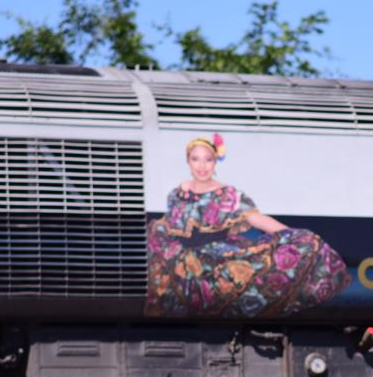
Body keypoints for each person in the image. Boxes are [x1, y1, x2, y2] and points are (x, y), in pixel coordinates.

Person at [146, 134, 350, 318]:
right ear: (188, 162)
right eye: (196, 159)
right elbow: (170, 225)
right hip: (182, 261)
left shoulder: (229, 194)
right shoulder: (177, 193)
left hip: (215, 260)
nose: (202, 166)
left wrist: (290, 234)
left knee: (297, 249)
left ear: (215, 162)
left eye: (208, 160)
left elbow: (256, 219)